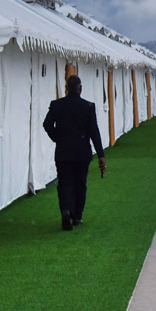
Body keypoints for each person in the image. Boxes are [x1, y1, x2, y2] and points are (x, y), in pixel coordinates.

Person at [43, 75, 107, 231]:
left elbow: (47, 124)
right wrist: (101, 155)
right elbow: (94, 132)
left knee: (65, 183)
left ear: (66, 88)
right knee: (80, 184)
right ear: (80, 88)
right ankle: (77, 216)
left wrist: (57, 138)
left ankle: (65, 210)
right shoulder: (88, 107)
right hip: (82, 153)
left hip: (63, 152)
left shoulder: (57, 105)